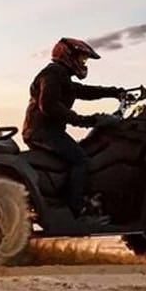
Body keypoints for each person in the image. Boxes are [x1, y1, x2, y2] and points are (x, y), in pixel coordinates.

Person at [22, 37, 125, 220]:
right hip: (43, 132)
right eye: (81, 59)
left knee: (76, 156)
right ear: (68, 55)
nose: (83, 63)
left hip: (46, 131)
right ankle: (77, 209)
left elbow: (83, 91)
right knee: (81, 161)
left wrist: (113, 91)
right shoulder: (53, 73)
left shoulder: (61, 75)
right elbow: (49, 105)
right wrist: (84, 120)